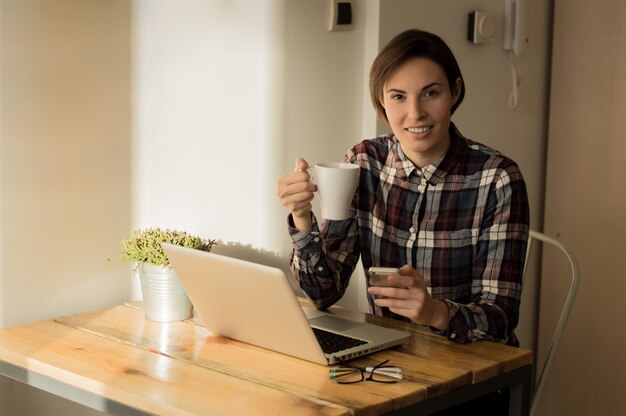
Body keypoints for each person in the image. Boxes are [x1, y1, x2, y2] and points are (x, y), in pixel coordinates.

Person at [277, 29, 529, 346]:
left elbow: (500, 318)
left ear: (454, 92)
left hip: (475, 373)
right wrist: (301, 217)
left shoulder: (498, 178)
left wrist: (435, 313)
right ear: (382, 102)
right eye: (398, 96)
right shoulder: (364, 162)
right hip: (392, 358)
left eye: (430, 93)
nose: (415, 113)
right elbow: (323, 293)